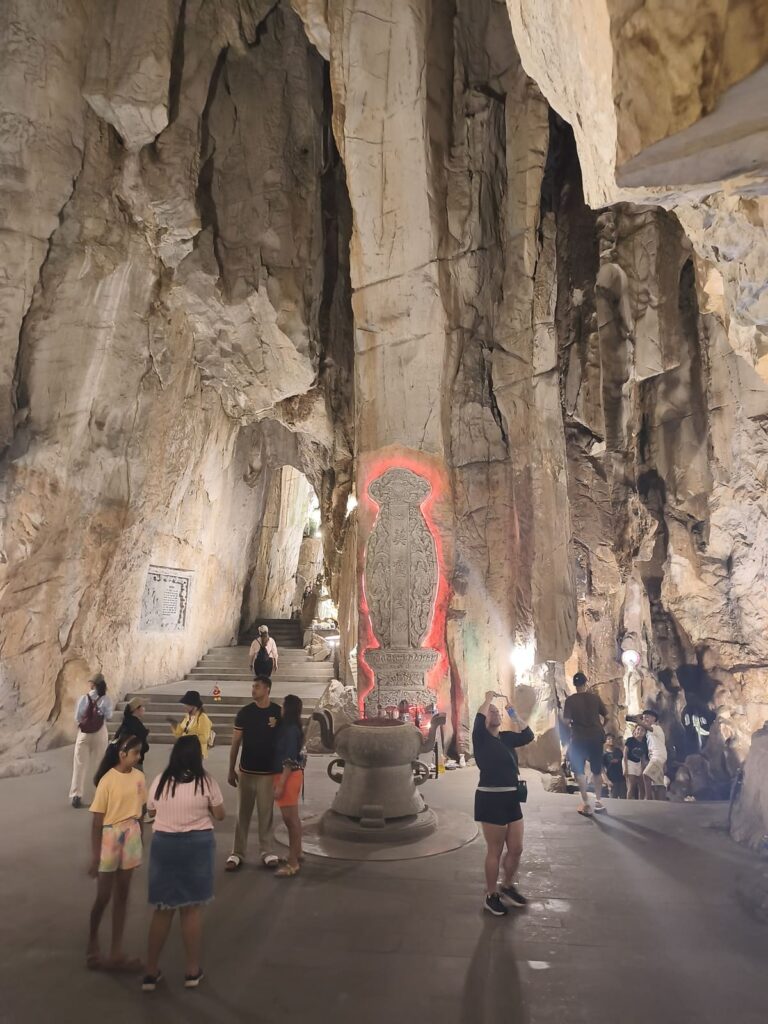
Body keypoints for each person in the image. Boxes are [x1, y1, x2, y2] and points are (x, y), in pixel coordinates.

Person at [142, 736, 226, 993]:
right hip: (196, 846)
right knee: (191, 909)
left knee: (163, 909)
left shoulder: (160, 781)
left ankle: (150, 971)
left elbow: (152, 811)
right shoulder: (205, 781)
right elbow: (220, 814)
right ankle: (191, 970)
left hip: (165, 846)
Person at [86, 734, 146, 971]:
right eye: (135, 753)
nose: (139, 757)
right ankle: (92, 943)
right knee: (103, 896)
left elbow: (142, 809)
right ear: (122, 754)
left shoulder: (139, 777)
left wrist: (140, 839)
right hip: (110, 837)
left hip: (131, 834)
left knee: (122, 894)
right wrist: (95, 855)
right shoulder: (107, 781)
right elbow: (96, 822)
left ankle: (116, 950)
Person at [472, 691, 535, 917]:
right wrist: (487, 699)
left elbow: (528, 735)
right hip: (491, 798)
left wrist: (512, 712)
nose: (495, 714)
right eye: (492, 712)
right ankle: (491, 895)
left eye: (498, 712)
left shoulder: (506, 737)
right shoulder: (480, 738)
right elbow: (478, 720)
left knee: (516, 848)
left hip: (511, 798)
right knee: (495, 851)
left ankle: (507, 886)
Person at [225, 676, 282, 872]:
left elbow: (284, 740)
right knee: (243, 813)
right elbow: (235, 743)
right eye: (252, 686)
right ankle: (237, 852)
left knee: (266, 814)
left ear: (267, 689)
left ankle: (267, 851)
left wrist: (282, 771)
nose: (253, 689)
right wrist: (231, 768)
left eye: (257, 687)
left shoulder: (277, 712)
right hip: (246, 772)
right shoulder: (245, 713)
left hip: (268, 773)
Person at [562, 672, 608, 816]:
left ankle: (586, 802)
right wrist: (602, 727)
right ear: (586, 683)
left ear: (575, 685)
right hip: (596, 736)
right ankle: (599, 801)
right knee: (596, 770)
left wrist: (570, 730)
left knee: (579, 771)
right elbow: (607, 716)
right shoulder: (595, 698)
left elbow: (566, 722)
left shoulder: (570, 700)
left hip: (579, 738)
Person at [272, 694, 306, 878]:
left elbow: (289, 759)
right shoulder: (291, 728)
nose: (281, 708)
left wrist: (281, 784)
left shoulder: (291, 730)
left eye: (284, 705)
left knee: (290, 820)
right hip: (289, 775)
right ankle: (297, 852)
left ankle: (293, 863)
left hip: (288, 776)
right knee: (293, 819)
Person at [70, 674, 114, 808]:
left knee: (79, 764)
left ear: (92, 684)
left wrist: (83, 725)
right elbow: (109, 716)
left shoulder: (84, 698)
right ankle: (100, 795)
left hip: (84, 734)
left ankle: (76, 795)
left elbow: (77, 717)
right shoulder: (106, 699)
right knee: (100, 764)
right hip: (100, 732)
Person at [167, 690, 212, 759]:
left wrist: (187, 740)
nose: (185, 706)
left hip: (196, 752)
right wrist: (174, 725)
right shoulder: (187, 717)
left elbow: (204, 738)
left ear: (194, 706)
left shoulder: (202, 718)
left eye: (187, 704)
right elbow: (180, 734)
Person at [635, 708, 667, 800]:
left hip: (658, 756)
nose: (645, 720)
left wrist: (638, 720)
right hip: (658, 756)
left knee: (646, 775)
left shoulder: (656, 728)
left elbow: (646, 726)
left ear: (654, 718)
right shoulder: (648, 732)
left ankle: (647, 798)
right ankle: (661, 803)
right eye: (644, 718)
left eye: (647, 717)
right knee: (659, 783)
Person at [115, 697, 150, 768]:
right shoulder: (136, 726)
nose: (144, 709)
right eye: (142, 706)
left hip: (125, 761)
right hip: (134, 763)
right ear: (136, 709)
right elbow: (142, 745)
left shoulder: (126, 722)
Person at [624, 723, 649, 799]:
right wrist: (625, 768)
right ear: (635, 730)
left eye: (642, 730)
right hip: (630, 762)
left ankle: (640, 804)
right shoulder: (630, 740)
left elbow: (643, 758)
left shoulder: (645, 744)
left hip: (639, 763)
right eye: (638, 729)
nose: (639, 731)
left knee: (641, 785)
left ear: (645, 733)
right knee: (632, 785)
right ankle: (628, 803)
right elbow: (625, 754)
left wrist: (643, 770)